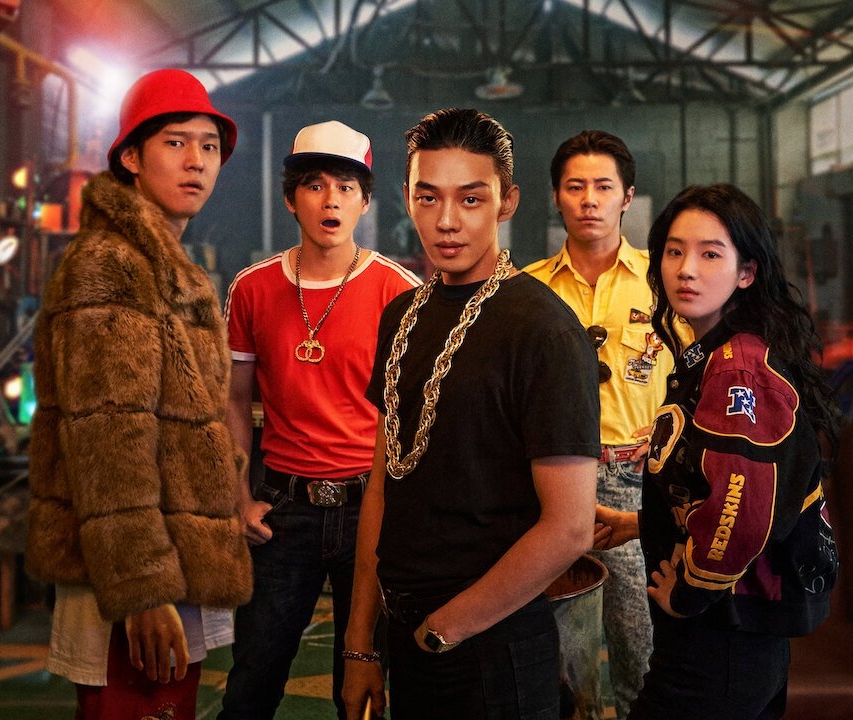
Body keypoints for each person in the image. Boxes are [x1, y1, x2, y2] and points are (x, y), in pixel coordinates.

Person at [341, 107, 601, 720]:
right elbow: (383, 484)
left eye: (471, 198)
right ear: (407, 198)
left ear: (507, 202)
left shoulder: (544, 329)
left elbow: (569, 527)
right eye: (428, 197)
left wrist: (447, 629)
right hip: (407, 635)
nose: (447, 221)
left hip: (493, 644)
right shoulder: (400, 317)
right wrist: (359, 642)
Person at [25, 68, 253, 720]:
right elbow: (110, 439)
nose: (196, 161)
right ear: (130, 157)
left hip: (166, 559)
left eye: (209, 146)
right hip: (133, 576)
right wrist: (142, 589)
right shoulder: (113, 263)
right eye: (175, 143)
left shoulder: (166, 264)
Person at [596, 184, 841, 719]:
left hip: (720, 640)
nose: (687, 270)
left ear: (746, 272)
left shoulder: (737, 369)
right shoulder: (719, 353)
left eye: (710, 254)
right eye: (674, 251)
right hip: (737, 638)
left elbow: (744, 509)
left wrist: (690, 590)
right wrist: (640, 524)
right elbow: (726, 486)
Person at [218, 120, 419, 719]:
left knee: (363, 689)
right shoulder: (252, 289)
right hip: (284, 510)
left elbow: (413, 416)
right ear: (291, 199)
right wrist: (239, 497)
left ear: (364, 201)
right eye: (314, 185)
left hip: (371, 508)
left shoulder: (399, 290)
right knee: (252, 682)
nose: (331, 200)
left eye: (346, 187)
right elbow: (233, 400)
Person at [525, 130, 675, 719]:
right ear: (556, 197)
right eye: (575, 186)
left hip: (635, 481)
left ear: (627, 197)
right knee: (561, 645)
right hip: (547, 481)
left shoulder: (664, 283)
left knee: (642, 645)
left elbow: (697, 377)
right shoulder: (528, 290)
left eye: (603, 187)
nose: (589, 199)